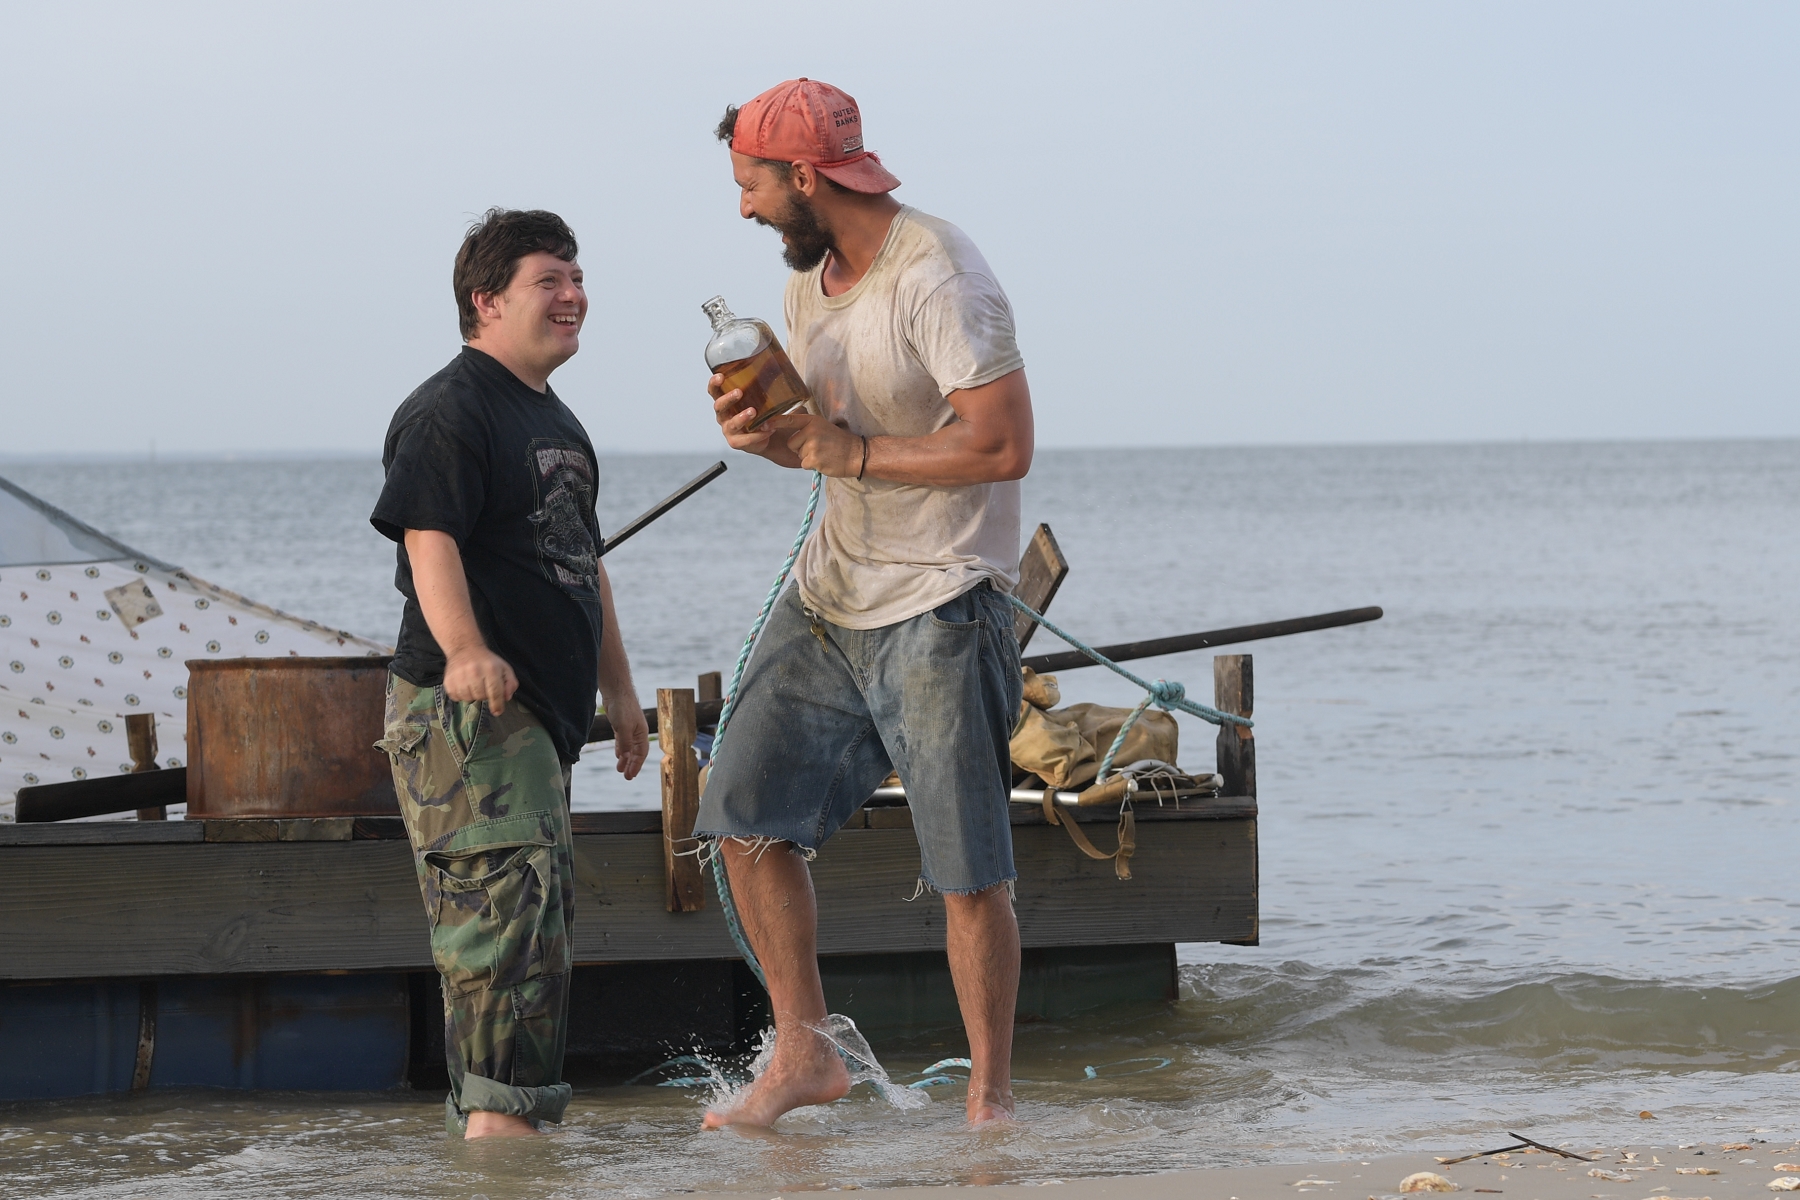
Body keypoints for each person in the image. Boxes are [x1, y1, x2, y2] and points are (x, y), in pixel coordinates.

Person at [696, 79, 1034, 1129]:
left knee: (968, 873)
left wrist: (853, 451)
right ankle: (804, 1053)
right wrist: (773, 424)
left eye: (750, 184)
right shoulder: (806, 286)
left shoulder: (939, 274)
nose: (742, 208)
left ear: (804, 177)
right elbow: (826, 433)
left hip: (942, 602)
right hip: (831, 596)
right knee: (740, 815)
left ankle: (989, 1104)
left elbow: (1003, 443)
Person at [370, 208, 650, 1139]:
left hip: (537, 722)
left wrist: (621, 693)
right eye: (549, 281)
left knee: (536, 937)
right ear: (486, 301)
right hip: (471, 722)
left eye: (577, 278)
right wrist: (465, 650)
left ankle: (511, 1139)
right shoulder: (454, 407)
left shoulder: (553, 417)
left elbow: (583, 563)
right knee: (499, 938)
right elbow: (427, 536)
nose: (573, 296)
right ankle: (498, 1142)